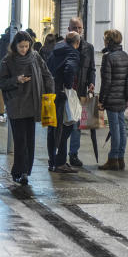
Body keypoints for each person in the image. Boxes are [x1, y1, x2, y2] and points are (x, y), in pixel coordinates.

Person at [0, 31, 54, 185]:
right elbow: (0, 82)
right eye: (21, 47)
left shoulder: (35, 57)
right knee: (20, 141)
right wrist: (17, 80)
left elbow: (47, 75)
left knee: (29, 141)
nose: (24, 49)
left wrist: (50, 94)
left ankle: (25, 172)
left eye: (27, 46)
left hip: (32, 104)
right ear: (15, 46)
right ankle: (19, 171)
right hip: (16, 105)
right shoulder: (8, 61)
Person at [97, 29, 128, 171]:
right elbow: (127, 78)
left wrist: (101, 100)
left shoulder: (108, 57)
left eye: (105, 39)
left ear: (109, 41)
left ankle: (113, 159)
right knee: (121, 128)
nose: (104, 41)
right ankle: (120, 158)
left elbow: (107, 82)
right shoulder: (124, 55)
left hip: (112, 98)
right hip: (122, 98)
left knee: (115, 129)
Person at [46, 31, 81, 173]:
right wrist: (68, 85)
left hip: (48, 93)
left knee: (51, 128)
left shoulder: (55, 50)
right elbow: (70, 69)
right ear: (76, 43)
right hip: (60, 93)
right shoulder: (73, 53)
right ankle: (59, 162)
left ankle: (52, 161)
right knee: (65, 127)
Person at [67, 18, 96, 168]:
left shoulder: (88, 48)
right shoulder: (63, 46)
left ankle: (73, 154)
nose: (78, 31)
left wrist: (92, 83)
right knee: (65, 125)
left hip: (80, 92)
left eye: (80, 28)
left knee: (77, 125)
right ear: (68, 28)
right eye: (74, 28)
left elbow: (92, 69)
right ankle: (57, 155)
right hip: (66, 92)